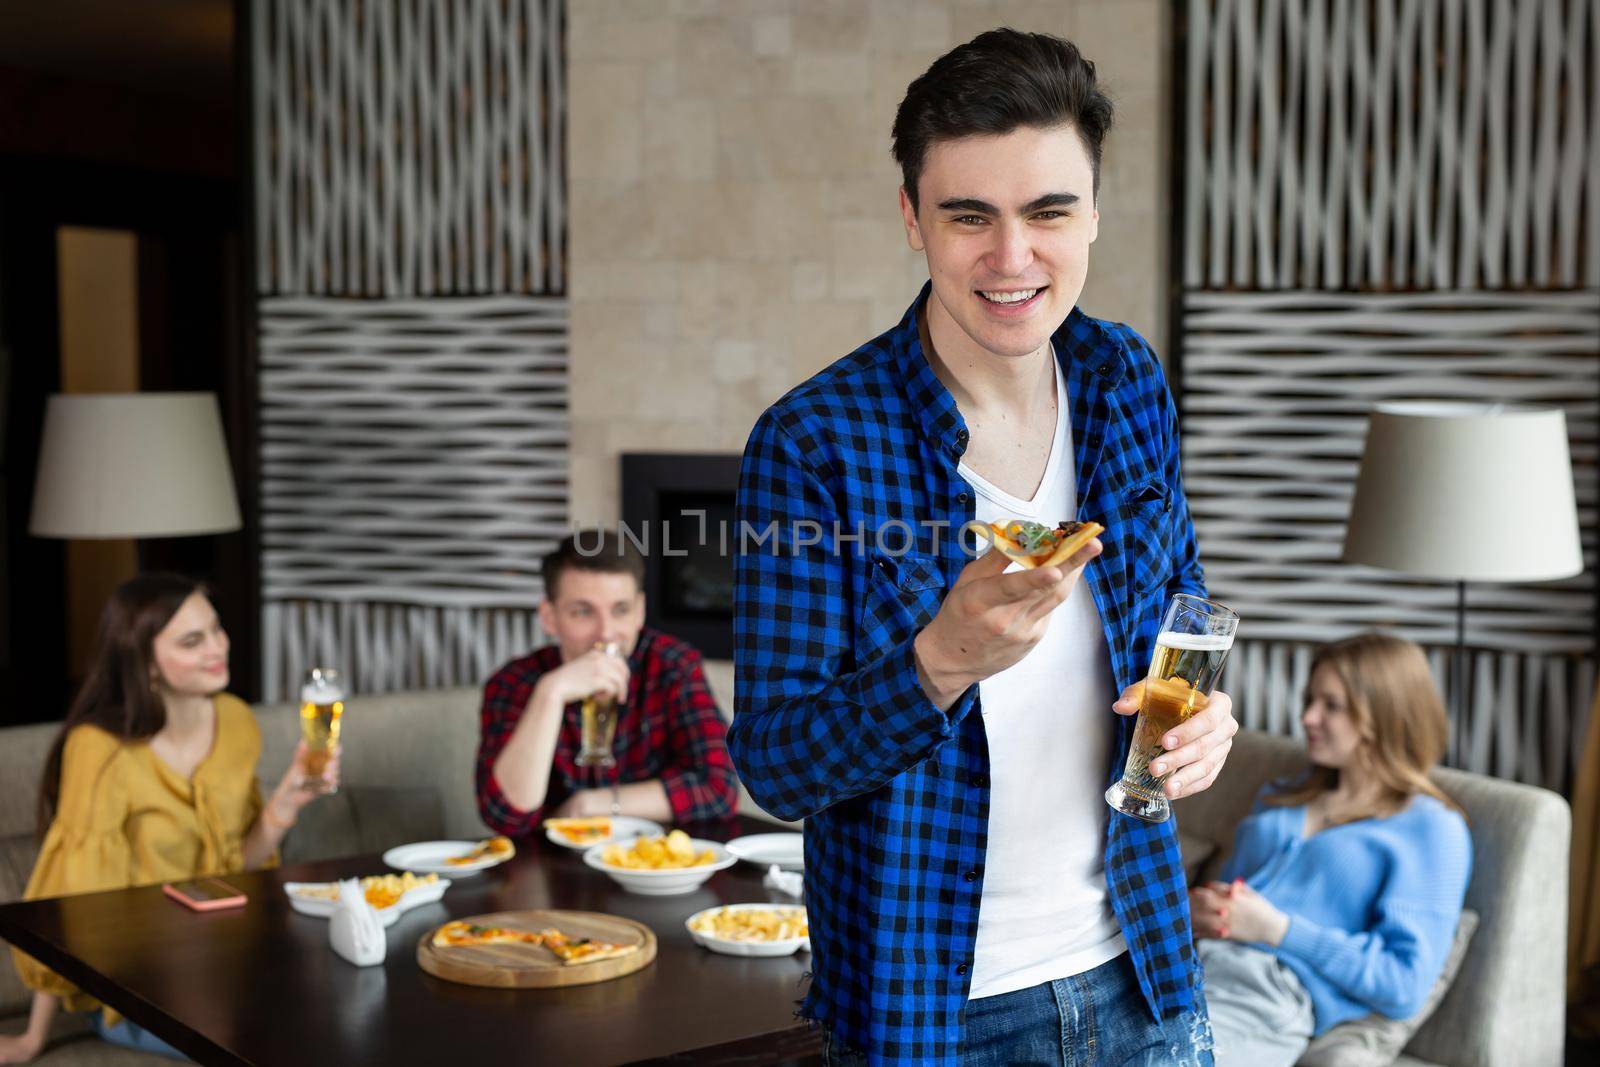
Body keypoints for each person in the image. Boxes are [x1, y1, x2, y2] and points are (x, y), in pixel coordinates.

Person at [730, 29, 1236, 1067]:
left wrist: (1207, 716)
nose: (1012, 259)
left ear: (1094, 211)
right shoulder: (814, 442)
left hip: (1148, 973)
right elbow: (773, 767)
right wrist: (939, 661)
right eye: (971, 216)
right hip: (936, 1015)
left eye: (1049, 211)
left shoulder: (1127, 380)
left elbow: (1182, 597)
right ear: (913, 218)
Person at [0, 575, 336, 1064]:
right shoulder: (100, 751)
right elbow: (68, 900)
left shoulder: (236, 720)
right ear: (144, 662)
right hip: (134, 985)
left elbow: (231, 866)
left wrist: (286, 802)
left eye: (216, 629)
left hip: (226, 963)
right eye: (191, 640)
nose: (218, 648)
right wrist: (33, 1038)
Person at [1192, 633, 1473, 1067]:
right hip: (1188, 967)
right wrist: (1195, 910)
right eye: (1310, 700)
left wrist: (1279, 930)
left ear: (1385, 714)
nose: (1307, 717)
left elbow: (1403, 984)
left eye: (1331, 705)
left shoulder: (1432, 828)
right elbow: (1228, 897)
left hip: (1267, 998)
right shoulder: (1282, 794)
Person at [475, 531, 737, 834]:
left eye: (621, 610)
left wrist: (589, 805)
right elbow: (506, 816)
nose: (606, 633)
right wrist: (550, 693)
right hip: (554, 871)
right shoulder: (513, 683)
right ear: (549, 617)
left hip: (653, 866)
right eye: (583, 612)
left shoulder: (673, 666)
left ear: (640, 611)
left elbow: (720, 789)